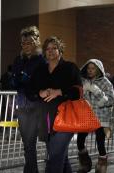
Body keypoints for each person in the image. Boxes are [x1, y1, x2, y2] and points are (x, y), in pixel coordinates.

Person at [30, 36, 82, 173]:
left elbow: (79, 92)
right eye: (47, 49)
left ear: (60, 50)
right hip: (46, 119)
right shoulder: (40, 70)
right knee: (60, 157)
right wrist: (39, 92)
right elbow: (30, 89)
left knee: (55, 157)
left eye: (54, 48)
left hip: (66, 118)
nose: (50, 51)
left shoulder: (70, 68)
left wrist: (60, 91)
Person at [11, 26, 46, 173]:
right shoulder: (19, 59)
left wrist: (26, 79)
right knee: (28, 144)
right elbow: (14, 81)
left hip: (38, 105)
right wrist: (21, 79)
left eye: (29, 43)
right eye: (23, 43)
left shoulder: (41, 60)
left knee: (50, 142)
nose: (26, 46)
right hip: (23, 105)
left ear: (36, 43)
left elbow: (40, 81)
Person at [77, 59, 114, 173]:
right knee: (80, 141)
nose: (90, 70)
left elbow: (111, 100)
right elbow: (78, 96)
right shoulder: (82, 81)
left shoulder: (105, 82)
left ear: (98, 69)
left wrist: (95, 91)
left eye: (93, 68)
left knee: (100, 142)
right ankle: (85, 163)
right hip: (85, 116)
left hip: (100, 116)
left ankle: (102, 166)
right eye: (88, 68)